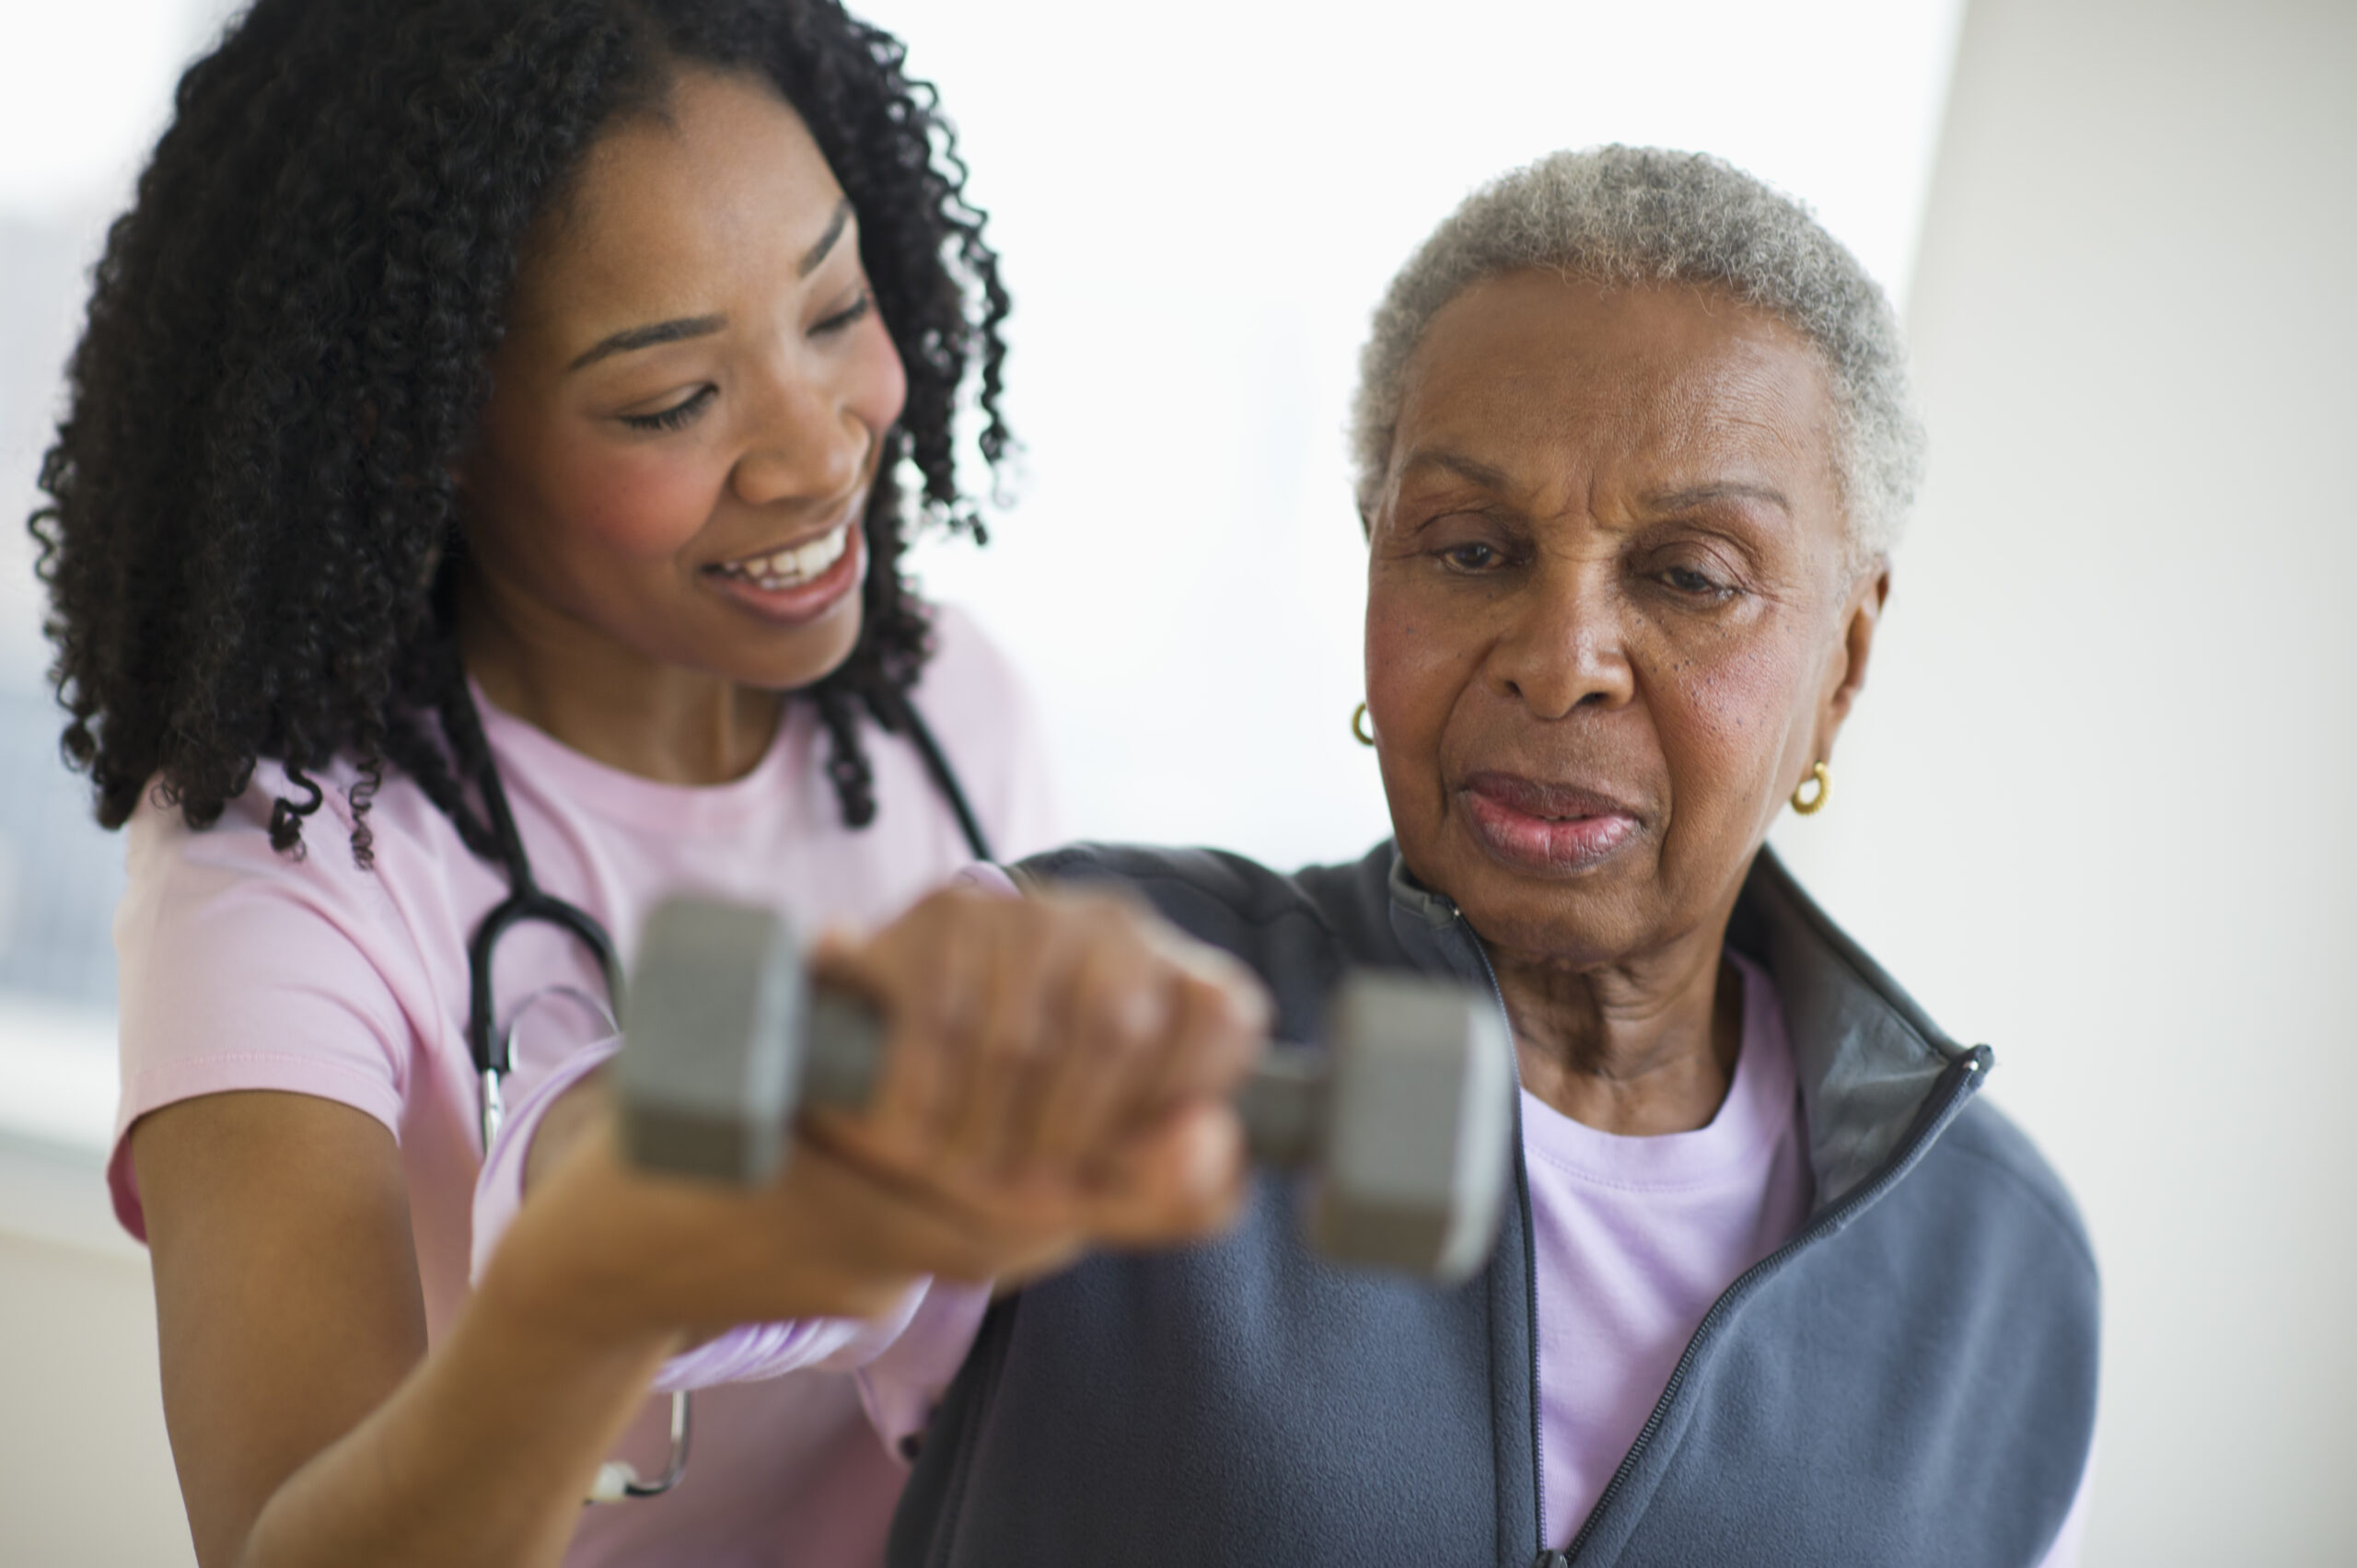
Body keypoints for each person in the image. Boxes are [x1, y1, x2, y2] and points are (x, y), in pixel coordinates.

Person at [478, 146, 2100, 1565]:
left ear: (1847, 660)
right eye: (1470, 550)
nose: (1562, 657)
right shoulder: (1089, 973)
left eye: (1688, 575)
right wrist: (837, 1087)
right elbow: (587, 1207)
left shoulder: (2003, 1278)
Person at [27, 0, 1113, 1562]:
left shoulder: (951, 706)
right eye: (674, 400)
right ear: (420, 438)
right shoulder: (280, 861)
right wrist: (590, 1289)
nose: (816, 454)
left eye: (833, 306)